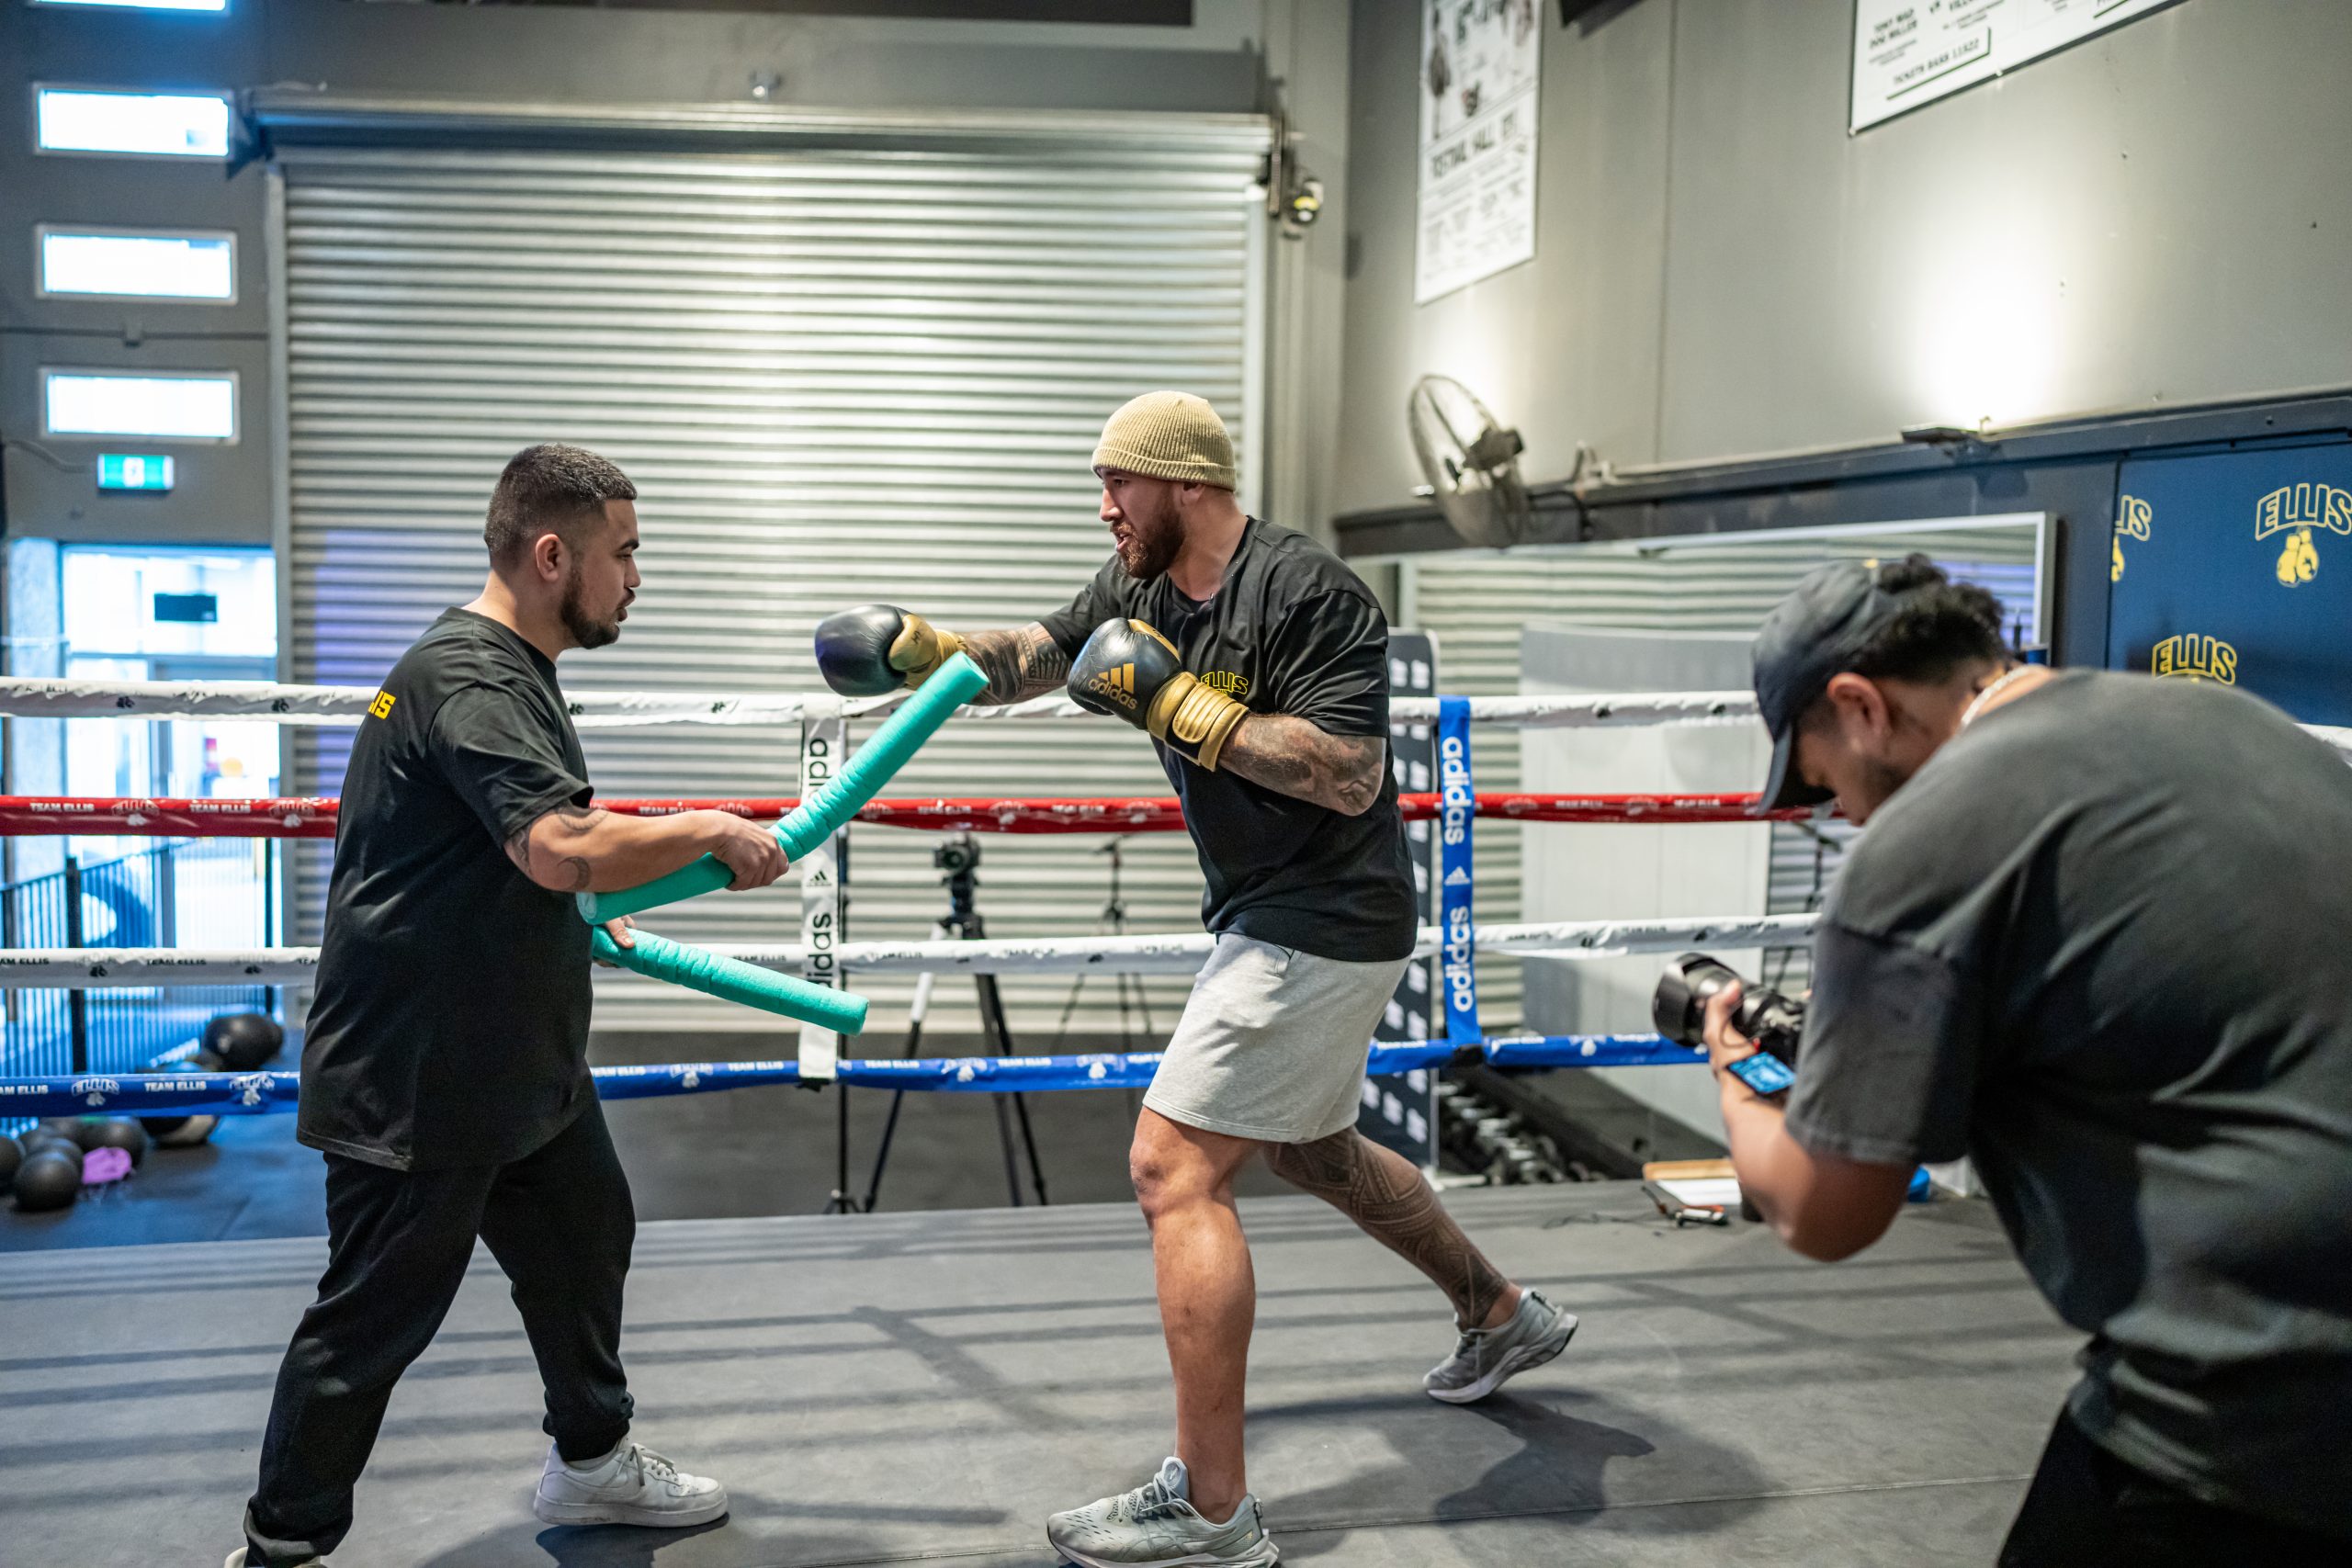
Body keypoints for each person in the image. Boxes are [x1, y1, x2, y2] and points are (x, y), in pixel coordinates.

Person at [814, 391, 1576, 1568]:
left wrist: (1178, 706)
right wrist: (931, 650)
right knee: (1312, 1151)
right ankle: (1498, 1311)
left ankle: (1213, 1511)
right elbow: (1037, 657)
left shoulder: (1309, 593)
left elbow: (1347, 773)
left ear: (1184, 483)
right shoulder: (1141, 587)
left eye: (1116, 484)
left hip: (1324, 916)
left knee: (1169, 1165)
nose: (1103, 509)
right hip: (1278, 914)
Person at [1702, 555, 2352, 1565]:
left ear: (1861, 705)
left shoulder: (1929, 835)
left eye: (1825, 782)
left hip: (2260, 1399)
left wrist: (1735, 1075)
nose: (1847, 817)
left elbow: (1823, 1211)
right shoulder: (2222, 719)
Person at [232, 445, 792, 1568]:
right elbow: (554, 843)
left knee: (585, 1238)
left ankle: (591, 1461)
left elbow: (486, 852)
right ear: (551, 556)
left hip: (512, 1055)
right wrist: (707, 827)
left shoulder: (507, 668)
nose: (637, 578)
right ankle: (280, 1545)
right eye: (623, 553)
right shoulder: (473, 679)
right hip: (420, 1071)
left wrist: (582, 915)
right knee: (372, 1321)